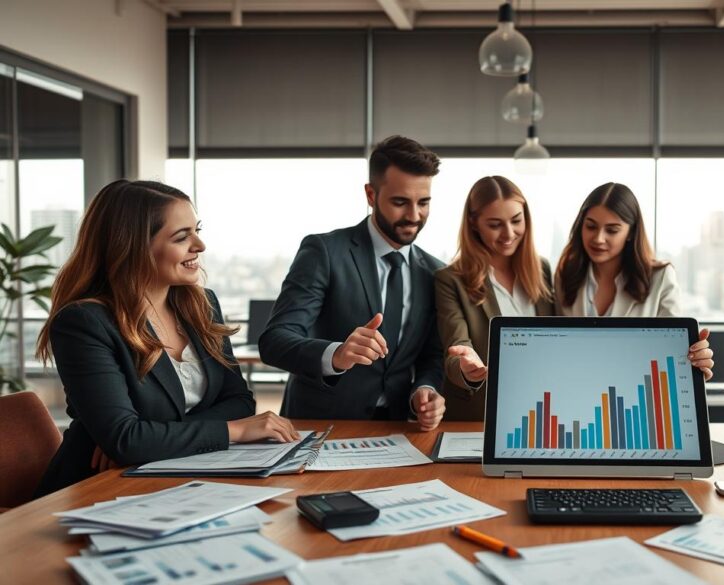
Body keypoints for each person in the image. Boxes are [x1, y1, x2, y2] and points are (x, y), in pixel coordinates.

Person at [34, 180, 297, 497]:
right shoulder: (85, 322)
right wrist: (235, 430)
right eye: (181, 236)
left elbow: (240, 401)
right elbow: (128, 440)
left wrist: (153, 438)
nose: (199, 245)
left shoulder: (203, 305)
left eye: (196, 230)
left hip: (179, 478)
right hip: (97, 489)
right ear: (133, 247)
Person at [259, 136, 446, 428]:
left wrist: (426, 390)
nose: (414, 215)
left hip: (397, 430)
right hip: (320, 427)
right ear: (371, 195)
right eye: (400, 202)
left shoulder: (436, 272)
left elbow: (431, 356)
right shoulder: (324, 252)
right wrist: (337, 355)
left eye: (423, 202)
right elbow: (274, 341)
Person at [555, 182, 715, 381]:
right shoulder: (565, 276)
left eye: (612, 230)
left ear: (631, 232)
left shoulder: (660, 277)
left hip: (634, 396)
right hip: (579, 391)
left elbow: (675, 352)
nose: (598, 238)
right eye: (591, 226)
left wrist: (696, 361)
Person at [435, 176, 554, 421]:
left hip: (542, 410)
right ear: (474, 223)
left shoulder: (542, 269)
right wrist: (468, 369)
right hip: (482, 414)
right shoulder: (451, 279)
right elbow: (457, 346)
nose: (508, 233)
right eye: (495, 224)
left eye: (516, 221)